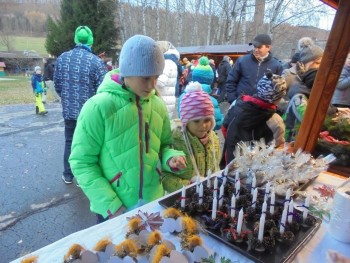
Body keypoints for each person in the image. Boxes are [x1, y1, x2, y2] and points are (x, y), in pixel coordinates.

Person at [69, 35, 187, 223]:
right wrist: (111, 206)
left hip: (152, 202)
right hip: (113, 209)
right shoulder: (98, 107)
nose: (152, 85)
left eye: (156, 77)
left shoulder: (158, 105)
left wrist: (171, 158)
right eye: (145, 78)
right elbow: (82, 162)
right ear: (127, 72)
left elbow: (165, 144)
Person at [54, 25, 107, 184]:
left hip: (69, 111)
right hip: (89, 113)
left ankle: (68, 174)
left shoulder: (62, 58)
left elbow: (57, 85)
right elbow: (102, 89)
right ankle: (87, 177)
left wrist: (67, 98)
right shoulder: (96, 62)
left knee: (70, 141)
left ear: (76, 39)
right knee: (90, 143)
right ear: (91, 41)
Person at [162, 81, 221, 193]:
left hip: (207, 195)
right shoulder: (175, 140)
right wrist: (189, 186)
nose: (203, 126)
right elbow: (164, 177)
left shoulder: (214, 139)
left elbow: (215, 168)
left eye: (207, 120)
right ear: (186, 122)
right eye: (196, 121)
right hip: (182, 197)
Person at [221, 71, 287, 166]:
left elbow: (224, 129)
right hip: (256, 169)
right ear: (278, 98)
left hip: (230, 159)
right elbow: (275, 149)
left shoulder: (237, 104)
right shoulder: (276, 121)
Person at [283, 41, 338, 142]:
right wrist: (292, 106)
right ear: (305, 63)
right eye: (317, 63)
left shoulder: (315, 79)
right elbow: (280, 100)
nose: (320, 66)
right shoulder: (290, 75)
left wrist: (336, 110)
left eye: (322, 63)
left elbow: (320, 102)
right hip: (295, 133)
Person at [225, 34, 283, 104]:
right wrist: (233, 100)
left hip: (263, 109)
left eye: (259, 47)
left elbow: (278, 90)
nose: (256, 49)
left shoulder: (277, 66)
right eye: (255, 46)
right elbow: (231, 81)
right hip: (240, 104)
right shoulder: (242, 61)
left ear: (268, 47)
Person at [178, 56, 224, 130]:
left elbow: (180, 116)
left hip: (186, 134)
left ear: (194, 77)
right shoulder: (211, 100)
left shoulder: (183, 96)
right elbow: (218, 123)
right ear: (210, 80)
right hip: (205, 135)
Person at [156, 41, 182, 118]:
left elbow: (160, 82)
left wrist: (146, 79)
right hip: (165, 99)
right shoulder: (169, 62)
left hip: (163, 101)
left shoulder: (167, 63)